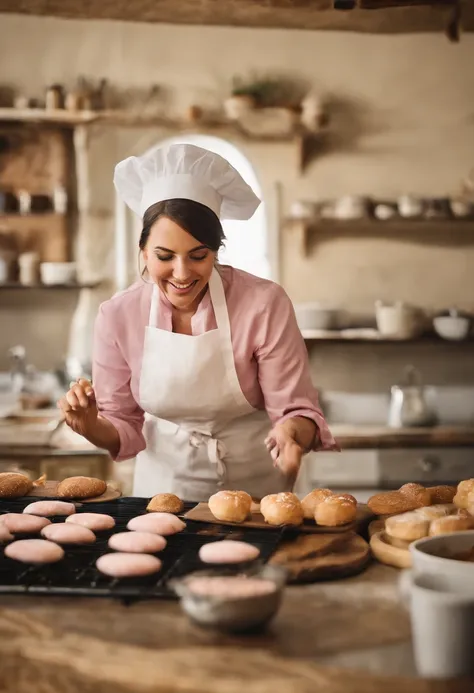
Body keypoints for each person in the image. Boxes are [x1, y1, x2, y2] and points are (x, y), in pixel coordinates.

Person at [58, 143, 336, 500]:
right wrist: (90, 426)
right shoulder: (117, 315)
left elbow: (296, 409)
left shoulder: (263, 303)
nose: (182, 273)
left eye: (198, 255)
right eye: (164, 256)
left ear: (216, 251)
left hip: (257, 491)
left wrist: (293, 434)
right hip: (163, 494)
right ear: (143, 251)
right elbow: (123, 426)